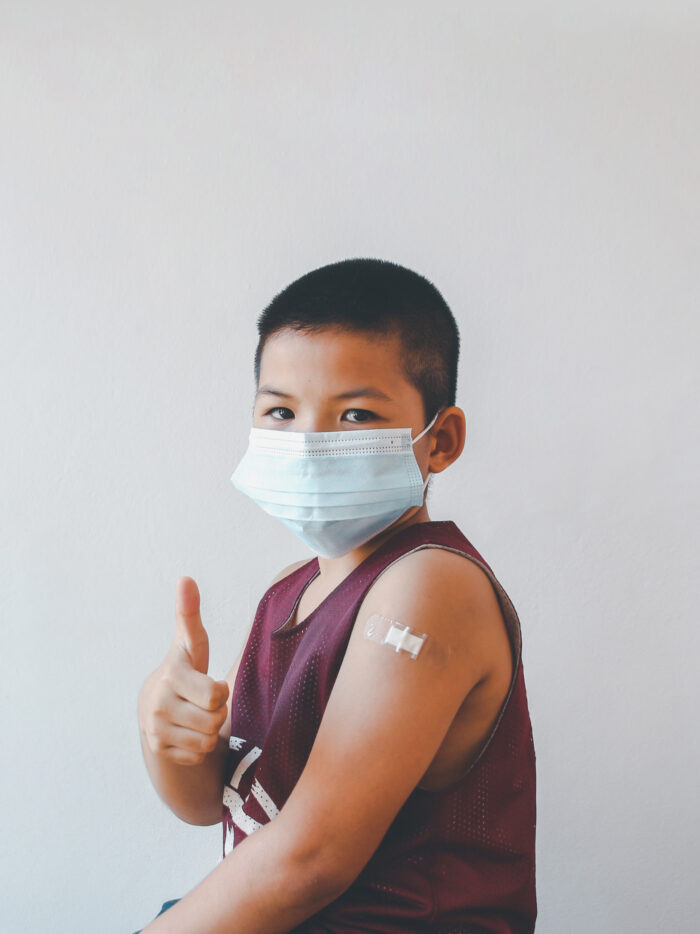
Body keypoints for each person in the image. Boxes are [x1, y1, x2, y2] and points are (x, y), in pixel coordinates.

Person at [135, 258, 537, 934]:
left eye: (354, 414)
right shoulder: (289, 593)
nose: (310, 442)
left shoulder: (429, 584)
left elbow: (313, 858)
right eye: (282, 411)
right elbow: (217, 803)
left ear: (439, 440)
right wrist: (167, 732)